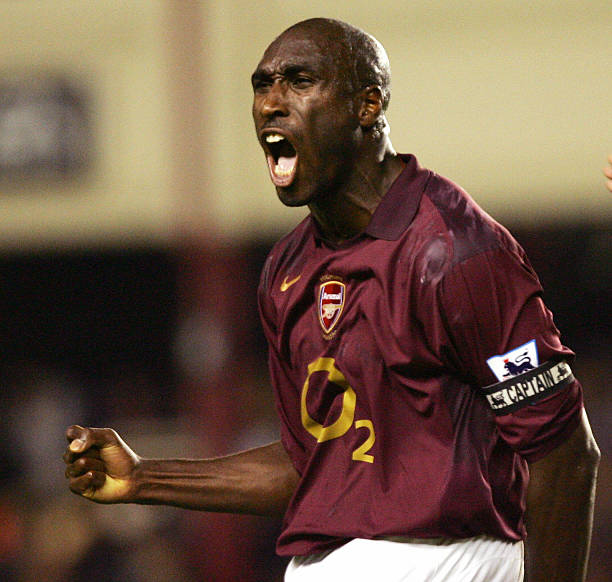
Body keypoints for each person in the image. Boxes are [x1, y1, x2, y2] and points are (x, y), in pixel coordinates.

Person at [64, 18, 600, 582]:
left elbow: (566, 455)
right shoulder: (286, 269)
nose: (271, 103)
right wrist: (146, 478)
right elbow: (313, 467)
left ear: (368, 105)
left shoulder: (455, 253)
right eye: (261, 85)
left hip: (450, 560)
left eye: (297, 81)